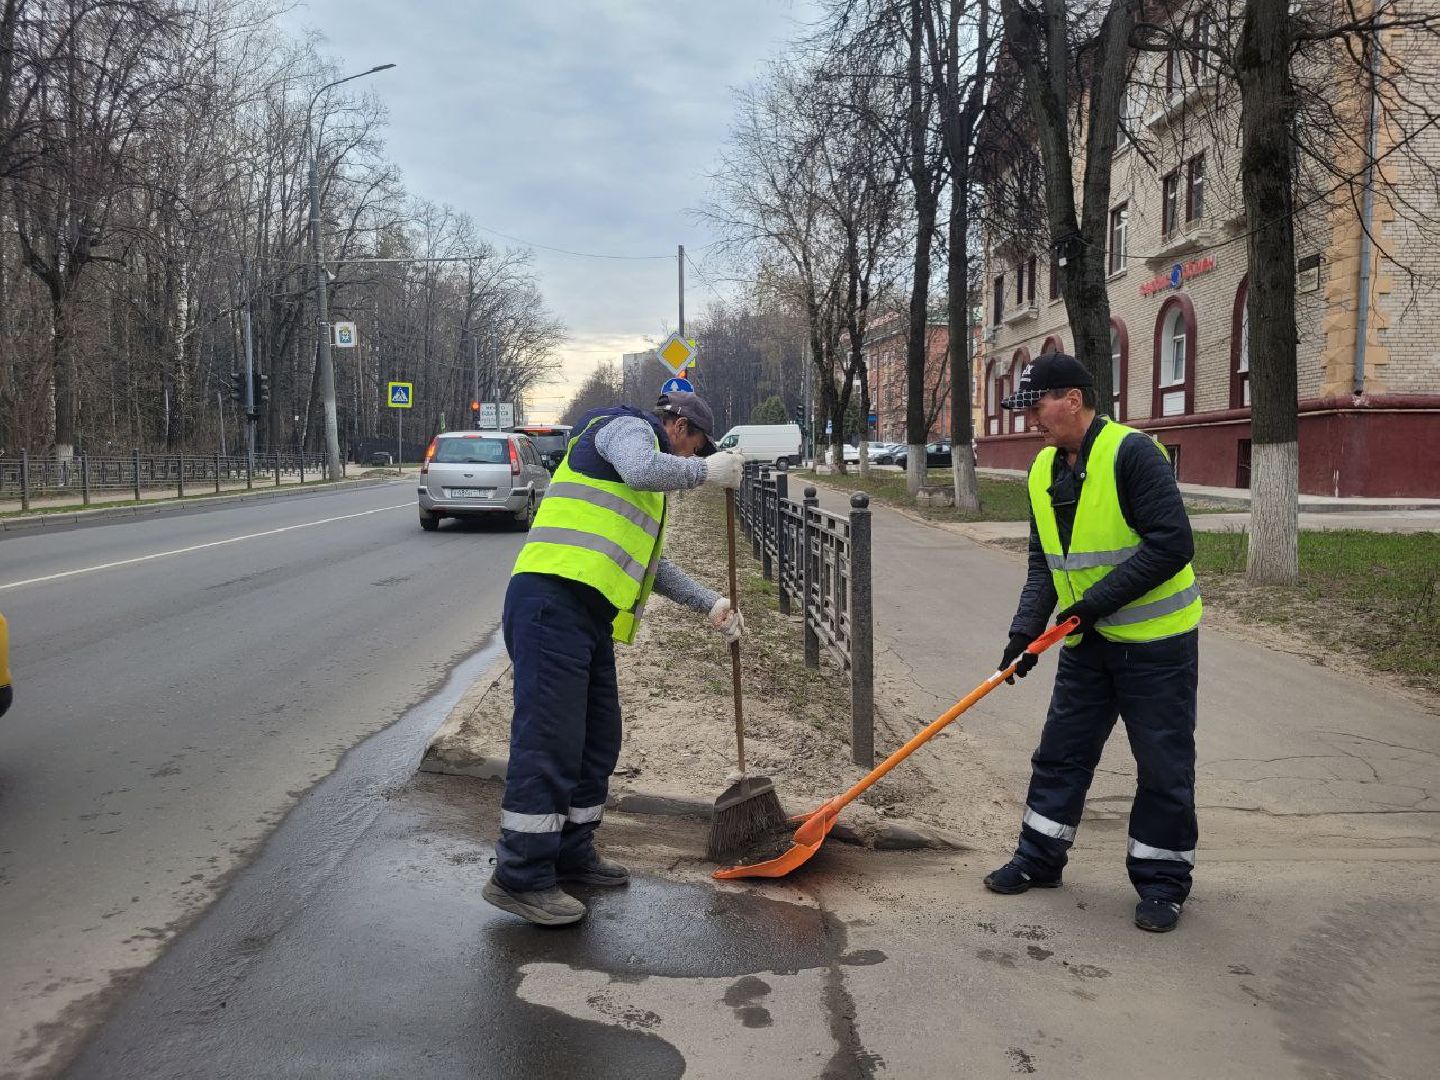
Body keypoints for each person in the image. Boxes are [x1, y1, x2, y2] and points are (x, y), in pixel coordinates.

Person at [483, 390, 748, 926]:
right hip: (550, 603)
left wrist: (711, 604)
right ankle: (520, 875)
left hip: (586, 615)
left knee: (597, 739)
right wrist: (706, 474)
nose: (695, 458)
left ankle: (571, 851)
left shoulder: (645, 491)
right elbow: (644, 468)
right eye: (697, 447)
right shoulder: (625, 429)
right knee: (550, 742)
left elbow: (651, 565)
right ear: (679, 427)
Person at [984, 353, 1202, 933]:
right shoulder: (1042, 469)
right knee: (1061, 752)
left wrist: (1093, 604)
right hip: (1087, 644)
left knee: (1163, 765)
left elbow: (1172, 544)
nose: (1031, 419)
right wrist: (1023, 634)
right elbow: (1044, 563)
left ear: (1073, 400)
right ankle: (1039, 859)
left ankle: (1162, 883)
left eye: (1037, 406)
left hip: (1156, 645)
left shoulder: (1133, 454)